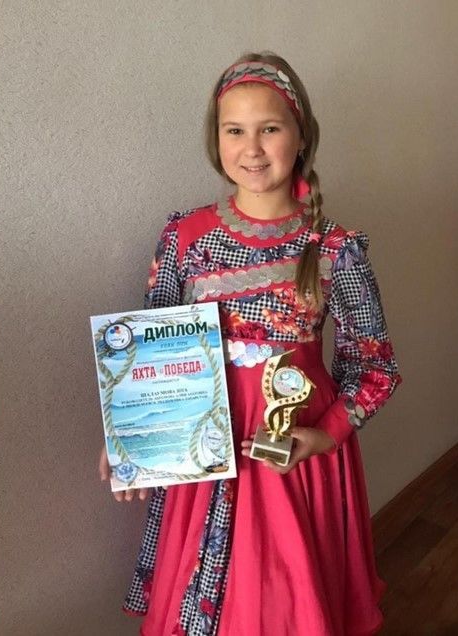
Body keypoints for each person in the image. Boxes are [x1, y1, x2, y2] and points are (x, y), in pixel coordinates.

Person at [99, 51, 402, 635]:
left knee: (288, 604)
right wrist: (127, 438)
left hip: (292, 458)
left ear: (302, 135)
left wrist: (326, 435)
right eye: (234, 130)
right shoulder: (184, 237)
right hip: (203, 454)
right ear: (216, 140)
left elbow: (376, 369)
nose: (252, 147)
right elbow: (147, 353)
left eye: (270, 128)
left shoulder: (335, 248)